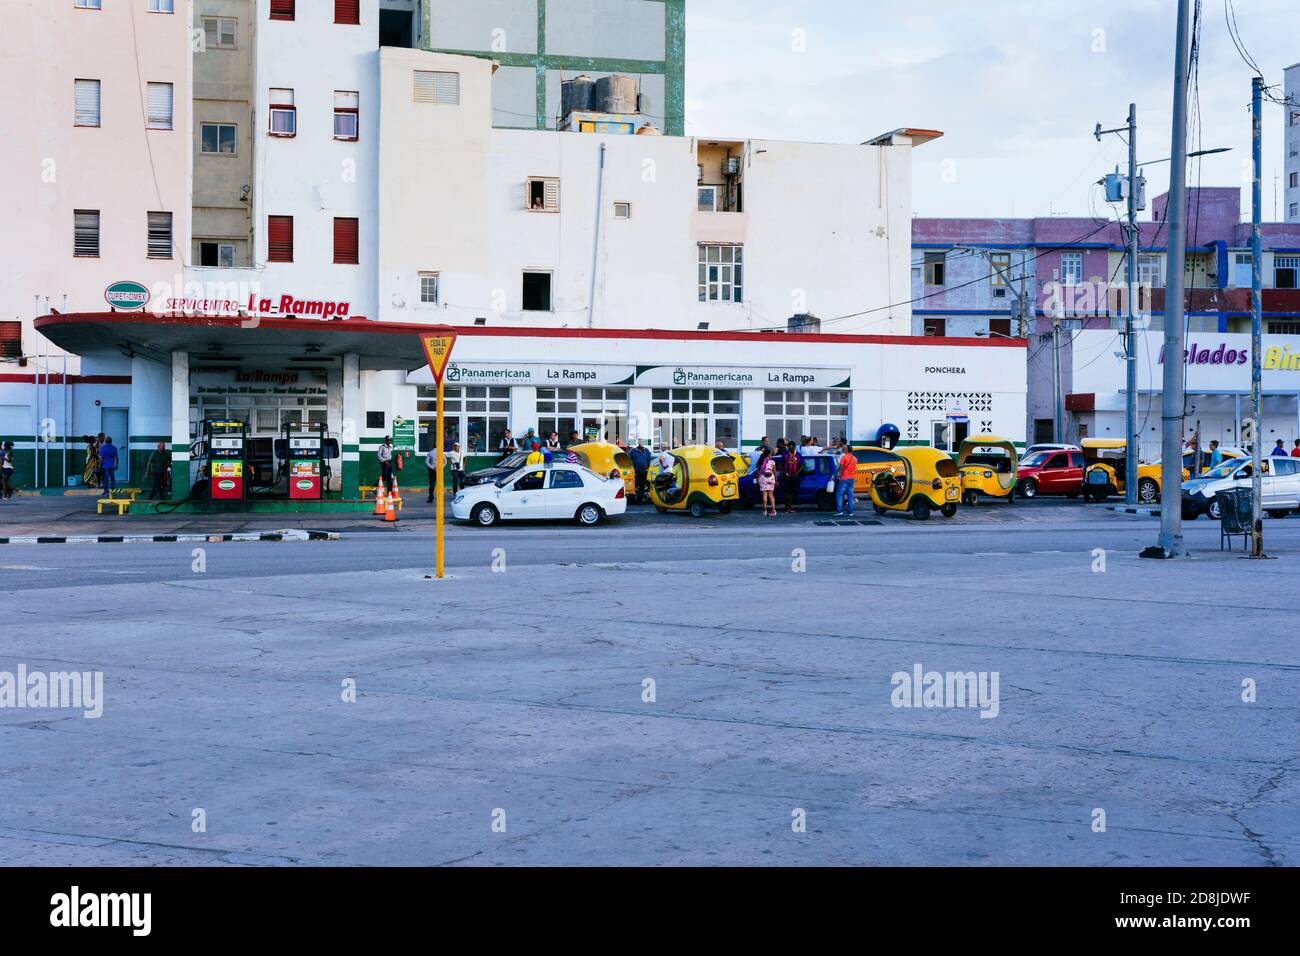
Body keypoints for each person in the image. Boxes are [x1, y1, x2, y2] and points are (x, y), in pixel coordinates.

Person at [834, 444, 858, 516]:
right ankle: (850, 512)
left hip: (844, 478)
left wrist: (835, 475)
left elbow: (840, 467)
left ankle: (839, 511)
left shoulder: (844, 457)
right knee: (850, 495)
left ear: (847, 450)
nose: (843, 450)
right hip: (852, 478)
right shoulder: (855, 458)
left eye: (844, 449)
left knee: (839, 494)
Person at [780, 441, 801, 513]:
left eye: (791, 446)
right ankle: (786, 507)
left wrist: (797, 473)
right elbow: (780, 464)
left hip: (795, 476)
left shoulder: (798, 454)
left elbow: (802, 465)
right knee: (786, 492)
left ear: (794, 447)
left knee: (792, 492)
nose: (790, 448)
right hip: (786, 476)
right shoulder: (785, 454)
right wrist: (785, 472)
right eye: (788, 446)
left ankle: (790, 507)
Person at [756, 449, 777, 516]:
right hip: (771, 478)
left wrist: (757, 479)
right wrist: (776, 480)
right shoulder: (772, 462)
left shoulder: (761, 462)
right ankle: (773, 511)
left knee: (764, 494)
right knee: (771, 495)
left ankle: (765, 511)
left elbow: (757, 472)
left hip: (763, 478)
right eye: (771, 454)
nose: (771, 455)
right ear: (768, 454)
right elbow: (774, 472)